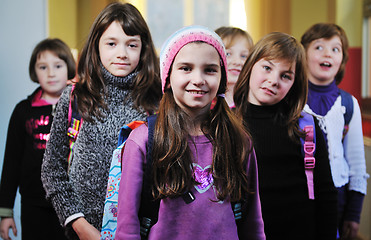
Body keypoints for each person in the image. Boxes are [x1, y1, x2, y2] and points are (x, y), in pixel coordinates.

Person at [116, 25, 266, 240]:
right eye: (186, 68)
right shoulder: (143, 141)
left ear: (222, 79)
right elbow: (127, 228)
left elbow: (253, 222)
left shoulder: (239, 141)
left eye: (210, 70)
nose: (198, 79)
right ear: (167, 77)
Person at [41, 2, 161, 240]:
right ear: (96, 45)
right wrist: (78, 223)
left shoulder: (157, 102)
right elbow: (52, 169)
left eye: (132, 45)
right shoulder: (76, 96)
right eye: (111, 43)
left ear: (144, 49)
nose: (122, 53)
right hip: (81, 231)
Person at [234, 32, 338, 239]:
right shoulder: (226, 124)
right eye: (267, 67)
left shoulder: (307, 127)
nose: (273, 81)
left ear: (294, 84)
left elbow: (326, 193)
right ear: (250, 66)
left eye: (285, 75)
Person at [0, 38, 76, 240]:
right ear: (35, 72)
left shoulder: (78, 108)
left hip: (71, 205)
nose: (51, 73)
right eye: (43, 67)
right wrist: (5, 211)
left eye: (58, 66)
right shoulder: (23, 111)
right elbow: (11, 162)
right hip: (33, 204)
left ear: (68, 68)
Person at [301, 23, 369, 240]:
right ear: (303, 55)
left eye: (335, 49)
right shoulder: (292, 99)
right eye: (319, 47)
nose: (327, 53)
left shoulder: (349, 104)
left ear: (341, 61)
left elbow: (357, 164)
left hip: (338, 198)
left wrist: (354, 213)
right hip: (299, 197)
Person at [215, 26, 253, 107]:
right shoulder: (206, 101)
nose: (237, 62)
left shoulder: (251, 102)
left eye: (243, 56)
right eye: (228, 54)